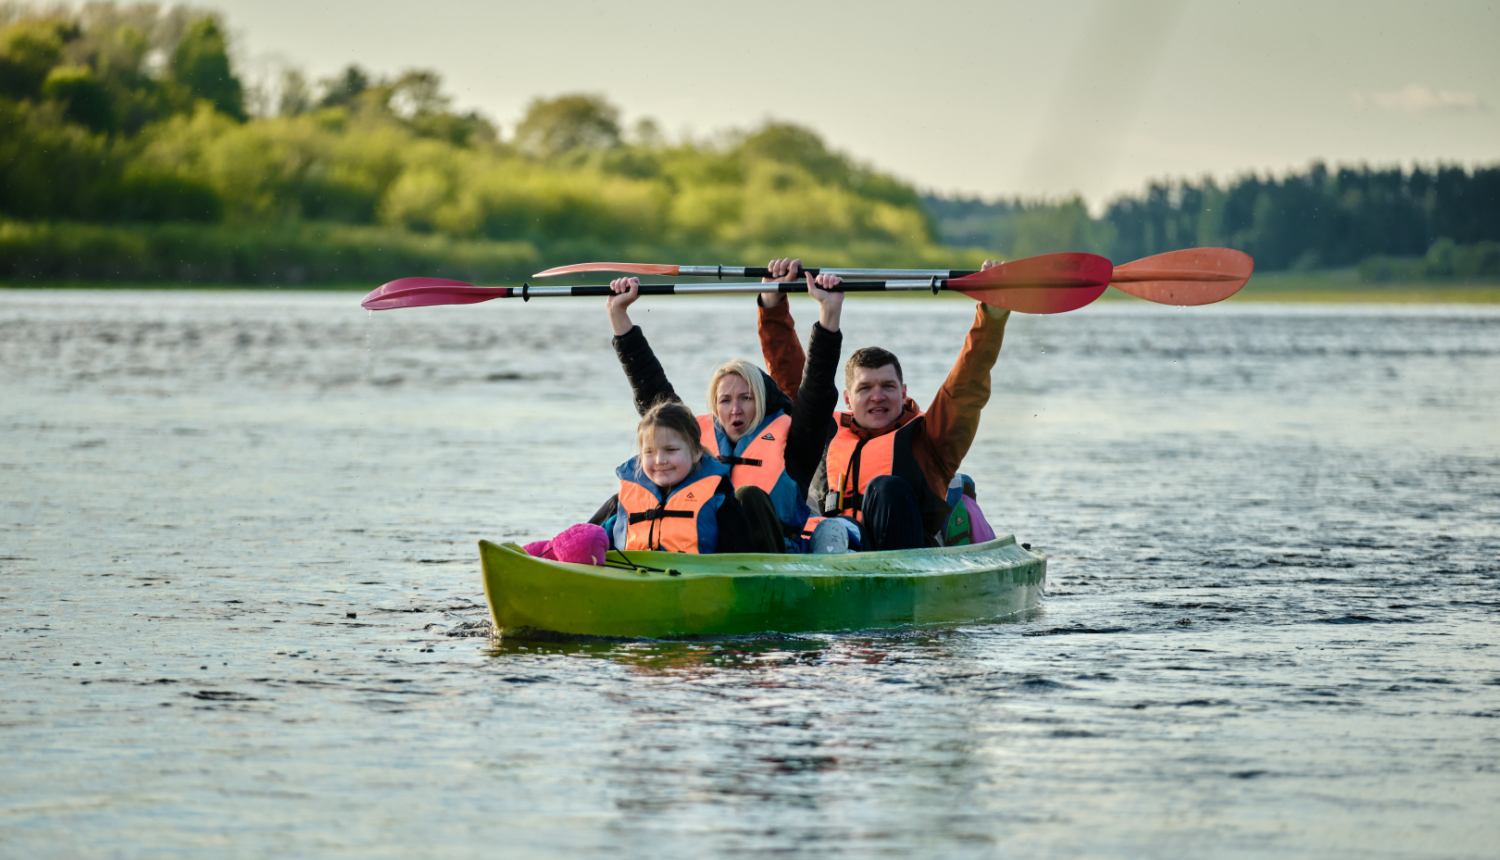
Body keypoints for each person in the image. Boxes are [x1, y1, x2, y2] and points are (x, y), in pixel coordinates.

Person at [757, 259, 1011, 552]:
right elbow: (790, 376)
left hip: (903, 563)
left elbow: (966, 387)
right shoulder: (823, 431)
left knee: (885, 488)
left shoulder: (930, 440)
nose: (878, 396)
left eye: (887, 387)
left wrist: (990, 316)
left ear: (903, 393)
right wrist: (772, 301)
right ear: (848, 399)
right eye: (865, 388)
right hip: (830, 554)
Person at [599, 268, 845, 552]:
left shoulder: (795, 444)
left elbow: (817, 390)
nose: (735, 409)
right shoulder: (691, 438)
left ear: (762, 403)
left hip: (767, 559)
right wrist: (618, 314)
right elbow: (651, 390)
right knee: (629, 493)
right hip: (701, 553)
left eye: (746, 398)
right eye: (725, 401)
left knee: (748, 495)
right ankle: (573, 548)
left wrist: (829, 312)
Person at [599, 400, 755, 554]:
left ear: (696, 452)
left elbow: (742, 560)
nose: (659, 460)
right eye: (649, 452)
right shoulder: (621, 503)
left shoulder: (720, 502)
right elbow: (589, 540)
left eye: (671, 450)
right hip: (632, 575)